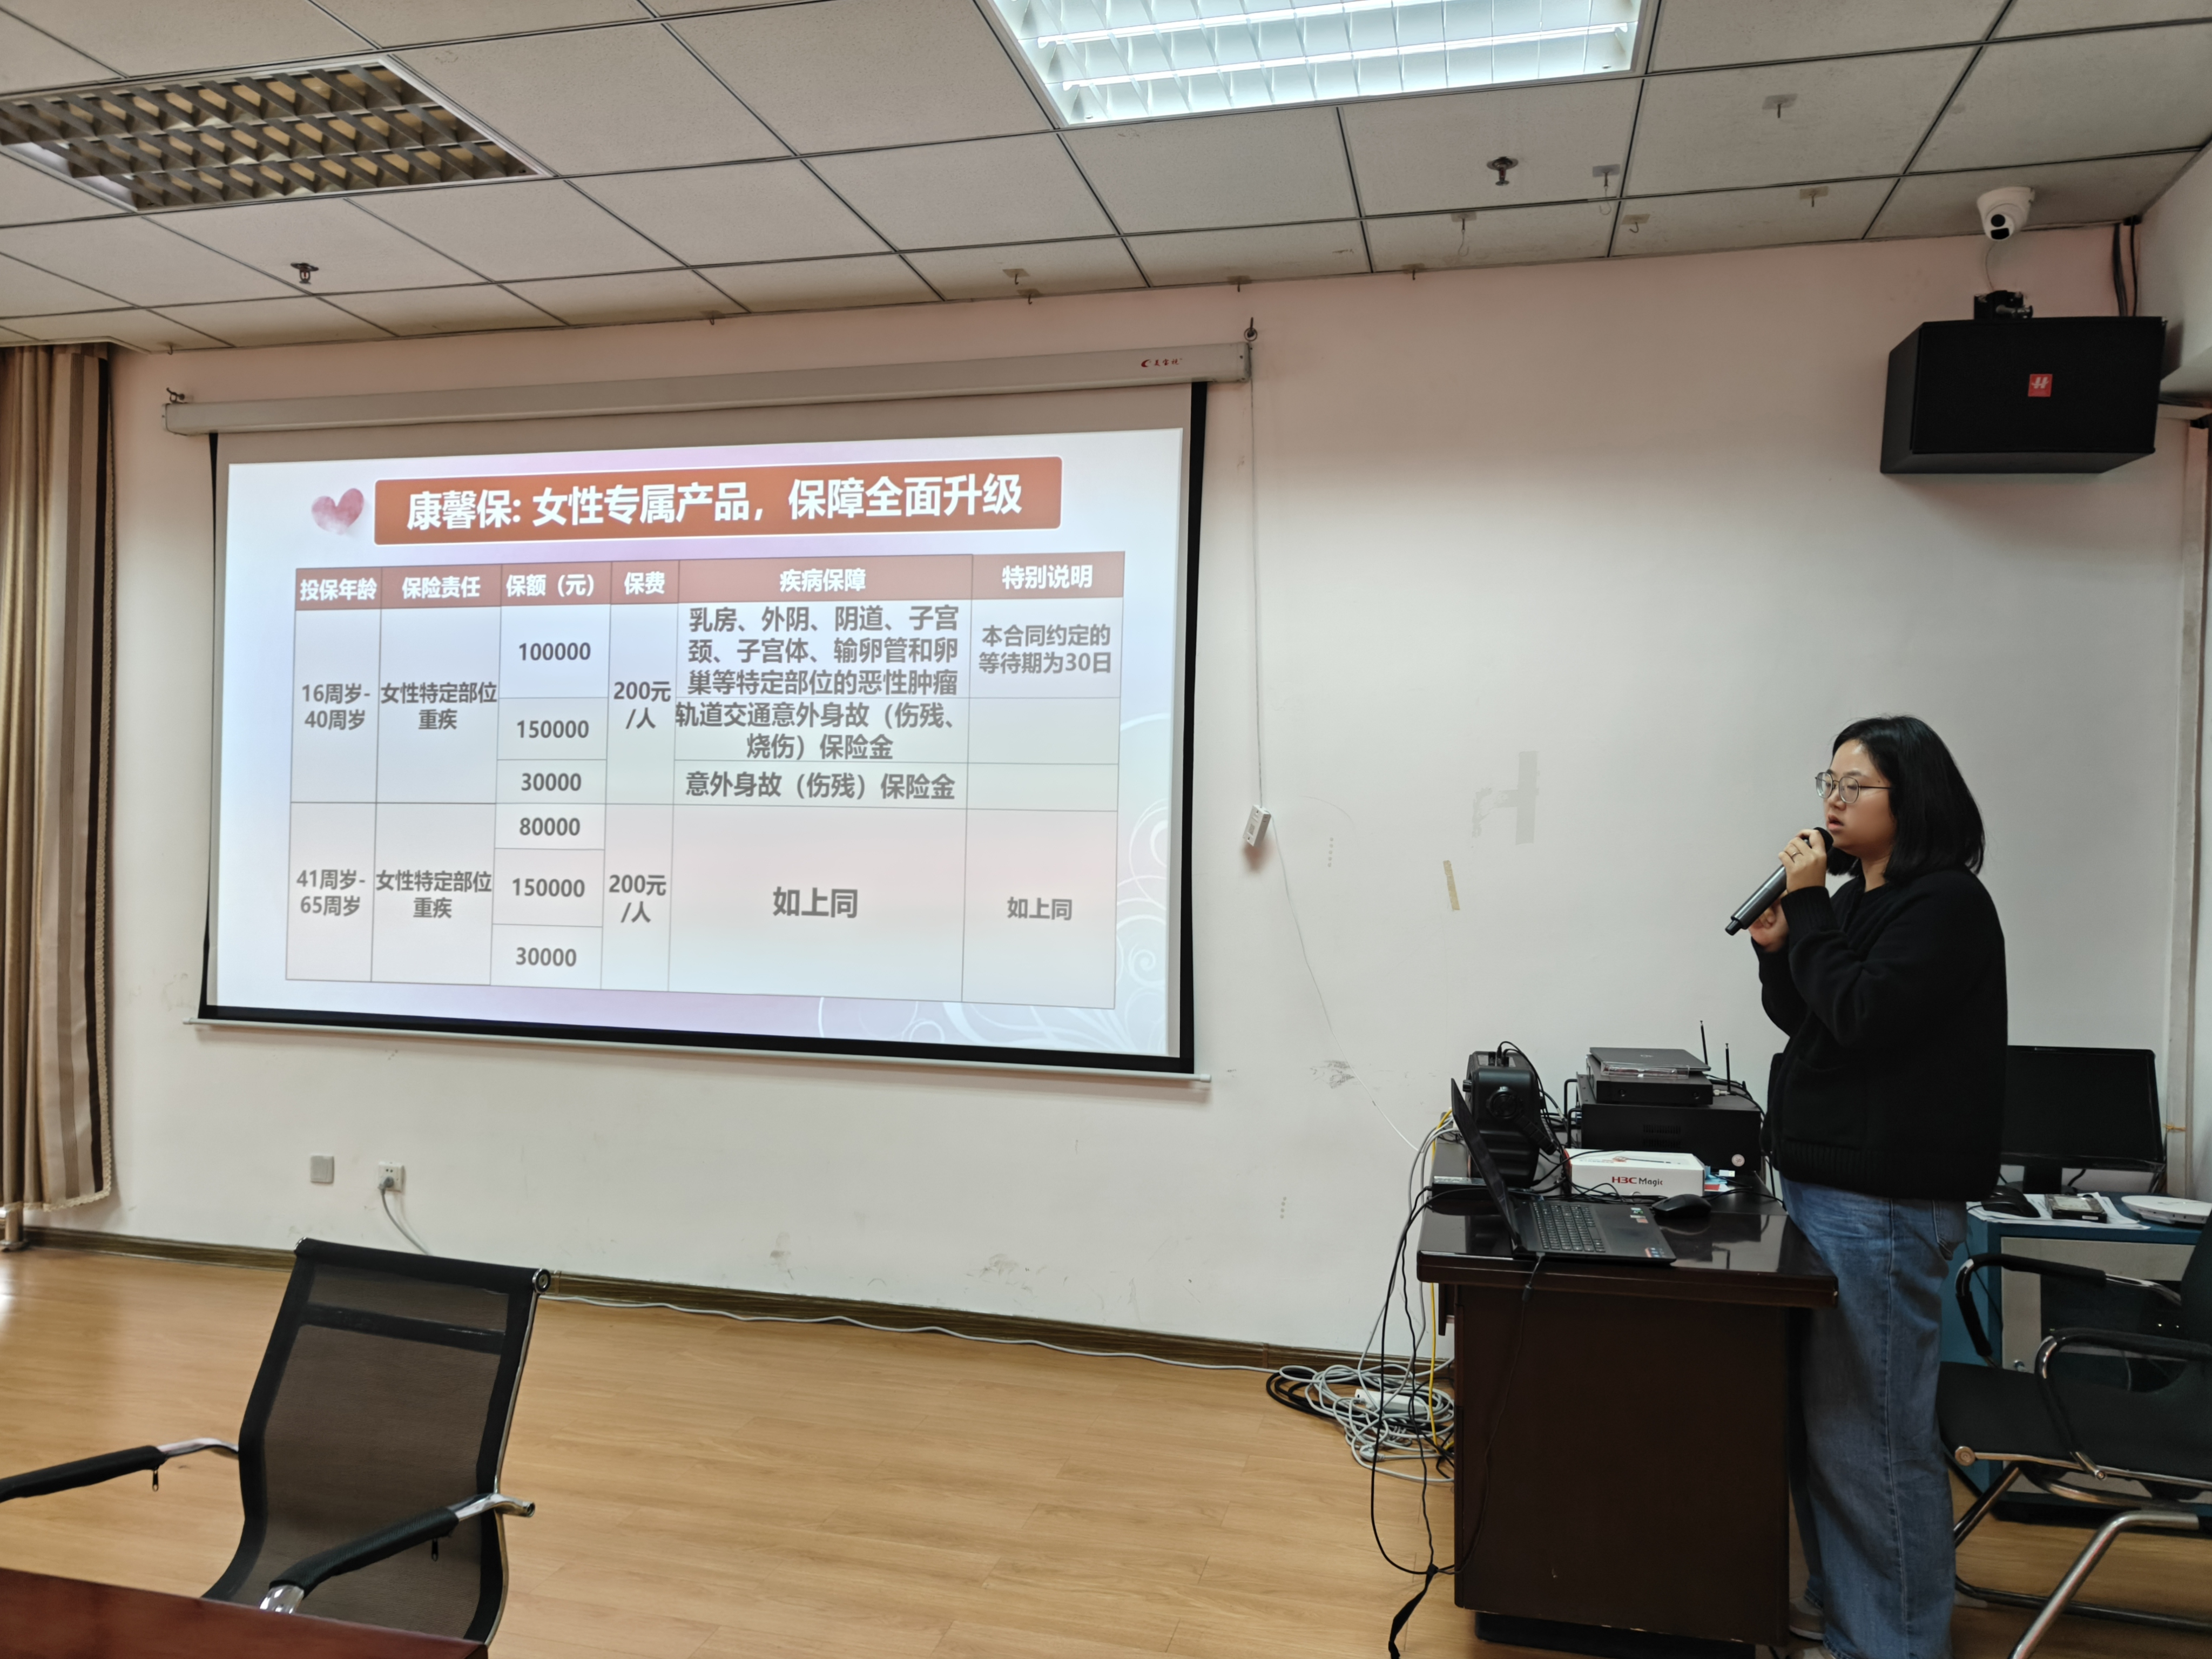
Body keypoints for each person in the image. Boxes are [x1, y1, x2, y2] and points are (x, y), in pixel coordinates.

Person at [1748, 715, 2006, 1659]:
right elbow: (1818, 1023)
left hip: (1885, 1210)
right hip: (1832, 1195)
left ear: (1914, 797)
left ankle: (1893, 1642)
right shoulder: (1863, 900)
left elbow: (1862, 1014)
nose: (1832, 800)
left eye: (1854, 786)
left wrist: (1813, 912)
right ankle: (1844, 1608)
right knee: (1825, 1429)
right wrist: (1782, 948)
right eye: (1829, 781)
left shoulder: (1946, 905)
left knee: (1871, 1438)